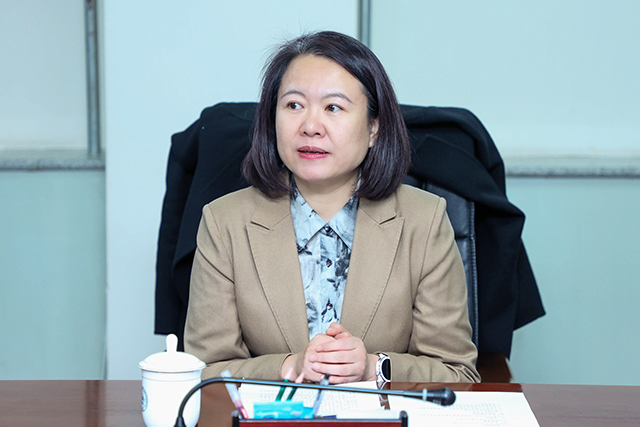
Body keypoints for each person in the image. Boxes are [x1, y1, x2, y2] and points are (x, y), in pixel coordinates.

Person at [184, 31, 480, 384]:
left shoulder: (424, 221)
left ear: (374, 127)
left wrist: (373, 367)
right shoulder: (224, 223)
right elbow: (203, 372)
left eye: (333, 107)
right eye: (294, 105)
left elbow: (457, 372)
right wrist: (289, 366)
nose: (310, 127)